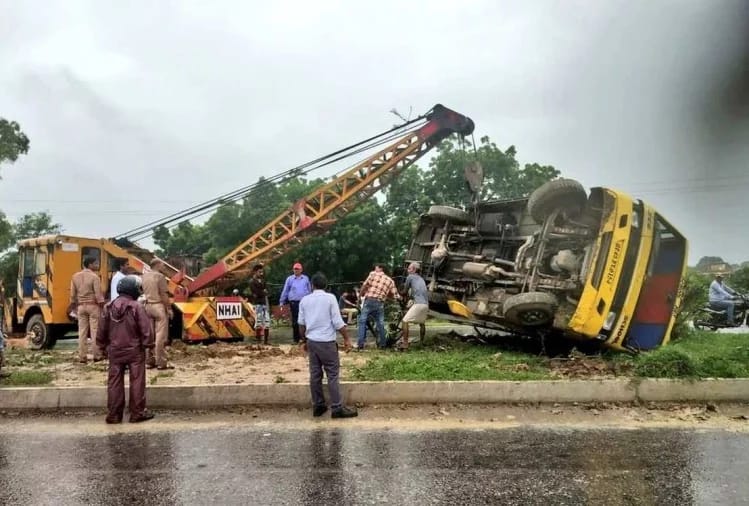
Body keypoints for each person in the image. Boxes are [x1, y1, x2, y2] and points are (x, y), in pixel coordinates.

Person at [298, 272, 358, 418]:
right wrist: (347, 339)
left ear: (312, 285)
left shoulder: (304, 300)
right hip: (327, 342)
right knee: (332, 374)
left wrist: (303, 340)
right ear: (326, 285)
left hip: (312, 342)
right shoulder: (330, 298)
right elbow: (338, 322)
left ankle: (318, 406)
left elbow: (301, 324)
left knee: (315, 374)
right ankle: (337, 408)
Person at [96, 275, 155, 424]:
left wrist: (101, 346)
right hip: (135, 351)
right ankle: (137, 413)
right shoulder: (136, 306)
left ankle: (114, 415)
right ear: (133, 290)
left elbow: (101, 330)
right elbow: (146, 330)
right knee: (137, 381)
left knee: (114, 382)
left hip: (114, 351)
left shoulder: (108, 307)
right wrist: (149, 345)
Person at [70, 256, 106, 363]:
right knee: (94, 331)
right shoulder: (94, 277)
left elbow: (72, 295)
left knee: (82, 332)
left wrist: (73, 307)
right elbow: (98, 295)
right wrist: (102, 305)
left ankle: (82, 356)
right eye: (95, 263)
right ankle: (97, 355)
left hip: (80, 306)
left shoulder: (75, 276)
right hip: (93, 306)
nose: (97, 265)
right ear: (90, 264)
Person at [356, 264, 401, 350]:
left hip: (369, 301)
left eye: (376, 267)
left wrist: (359, 297)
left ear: (381, 268)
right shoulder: (390, 281)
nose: (375, 269)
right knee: (380, 324)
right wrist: (385, 295)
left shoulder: (373, 274)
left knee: (362, 321)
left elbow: (364, 286)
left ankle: (360, 344)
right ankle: (383, 345)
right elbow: (395, 296)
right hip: (379, 303)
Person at [142, 258, 173, 369]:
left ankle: (149, 361)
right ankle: (161, 362)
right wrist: (169, 308)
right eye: (162, 265)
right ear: (157, 265)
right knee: (160, 336)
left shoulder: (144, 276)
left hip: (147, 306)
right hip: (158, 306)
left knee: (150, 335)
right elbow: (164, 295)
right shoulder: (160, 277)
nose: (164, 267)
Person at [279, 262, 312, 343]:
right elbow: (285, 290)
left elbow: (309, 290)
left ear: (301, 270)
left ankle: (305, 338)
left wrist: (311, 299)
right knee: (295, 321)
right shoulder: (290, 279)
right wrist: (281, 302)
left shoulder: (305, 278)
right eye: (295, 269)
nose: (296, 270)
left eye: (297, 269)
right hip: (294, 302)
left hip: (304, 302)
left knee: (305, 320)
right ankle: (296, 339)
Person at [400, 262, 429, 350]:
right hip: (425, 305)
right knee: (422, 323)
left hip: (419, 304)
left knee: (405, 321)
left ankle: (405, 344)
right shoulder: (421, 279)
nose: (408, 270)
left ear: (414, 270)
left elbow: (405, 291)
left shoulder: (410, 277)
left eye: (409, 268)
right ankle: (422, 342)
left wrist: (399, 292)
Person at [249, 263, 271, 344]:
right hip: (258, 304)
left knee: (267, 321)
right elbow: (256, 293)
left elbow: (266, 291)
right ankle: (258, 341)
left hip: (264, 303)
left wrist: (263, 292)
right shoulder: (251, 281)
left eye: (262, 272)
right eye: (259, 272)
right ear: (255, 272)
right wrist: (263, 292)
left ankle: (266, 341)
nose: (261, 273)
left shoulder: (263, 280)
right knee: (258, 322)